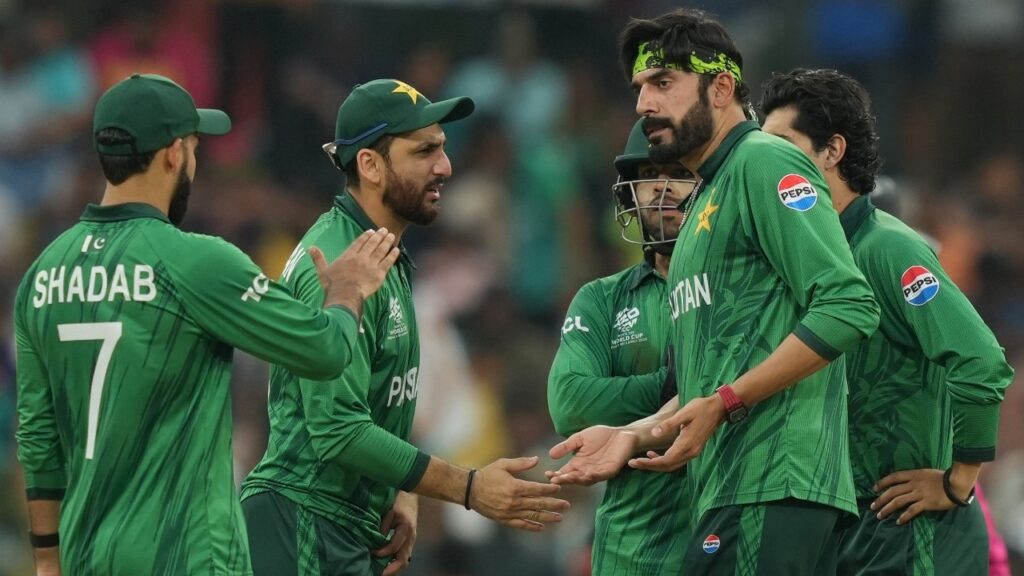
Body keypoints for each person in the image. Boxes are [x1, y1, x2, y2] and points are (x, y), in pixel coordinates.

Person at [14, 73, 399, 575]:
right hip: (187, 555)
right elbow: (325, 352)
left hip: (86, 556)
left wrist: (47, 559)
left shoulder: (42, 274)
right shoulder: (195, 261)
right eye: (195, 147)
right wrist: (346, 292)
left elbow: (38, 439)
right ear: (174, 153)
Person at [546, 9, 881, 575]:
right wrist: (633, 434)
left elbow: (849, 304)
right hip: (732, 486)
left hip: (774, 479)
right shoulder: (708, 198)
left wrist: (727, 402)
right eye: (639, 88)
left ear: (721, 88)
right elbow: (715, 374)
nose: (644, 103)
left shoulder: (764, 160)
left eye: (663, 83)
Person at [240, 79, 569, 576]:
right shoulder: (337, 263)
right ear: (370, 165)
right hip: (305, 523)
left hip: (343, 523)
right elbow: (337, 430)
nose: (445, 166)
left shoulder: (382, 254)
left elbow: (370, 407)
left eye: (442, 147)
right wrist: (469, 487)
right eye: (424, 151)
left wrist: (398, 486)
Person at [760, 67, 1014, 576]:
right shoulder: (808, 257)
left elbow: (981, 359)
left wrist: (958, 481)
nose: (765, 164)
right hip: (849, 525)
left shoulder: (887, 248)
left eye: (782, 146)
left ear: (832, 151)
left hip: (911, 532)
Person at [547, 119, 696, 575]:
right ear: (631, 193)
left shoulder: (744, 286)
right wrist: (676, 384)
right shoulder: (602, 298)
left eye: (680, 174)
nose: (663, 188)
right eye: (649, 175)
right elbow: (569, 403)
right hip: (632, 543)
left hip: (723, 524)